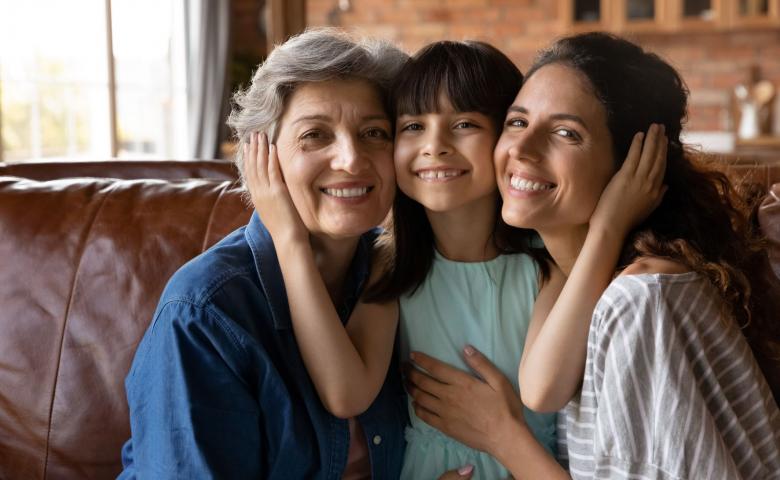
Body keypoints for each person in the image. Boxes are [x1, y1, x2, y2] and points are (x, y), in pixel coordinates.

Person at [248, 39, 664, 479]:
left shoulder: (544, 263)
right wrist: (288, 239)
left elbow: (544, 389)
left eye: (464, 123)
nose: (435, 145)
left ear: (506, 134)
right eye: (412, 126)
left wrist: (608, 227)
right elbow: (346, 394)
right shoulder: (394, 262)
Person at [405, 32, 780, 480]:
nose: (522, 150)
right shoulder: (571, 286)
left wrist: (501, 435)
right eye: (518, 122)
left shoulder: (641, 300)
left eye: (566, 133)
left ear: (631, 165)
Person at [118, 28, 409, 479]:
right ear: (263, 156)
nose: (351, 159)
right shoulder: (204, 312)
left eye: (374, 132)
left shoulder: (396, 273)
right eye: (315, 135)